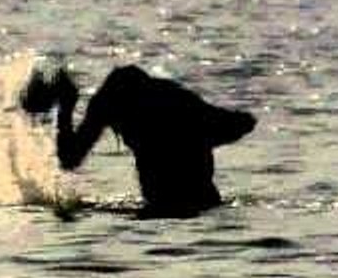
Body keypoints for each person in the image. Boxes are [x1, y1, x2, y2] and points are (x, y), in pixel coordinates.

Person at [22, 64, 256, 217]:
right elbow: (69, 158)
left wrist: (196, 129)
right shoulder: (108, 103)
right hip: (167, 207)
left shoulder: (176, 101)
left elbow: (244, 123)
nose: (123, 124)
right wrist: (65, 108)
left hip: (195, 204)